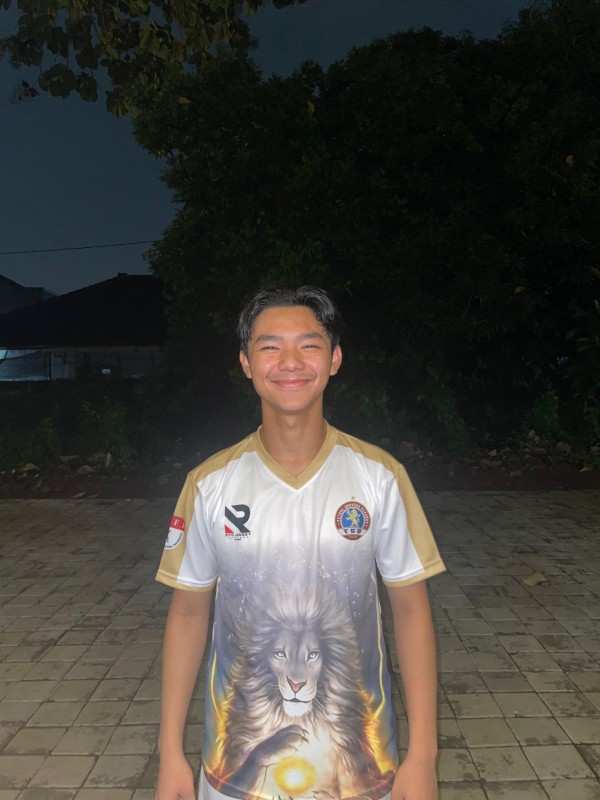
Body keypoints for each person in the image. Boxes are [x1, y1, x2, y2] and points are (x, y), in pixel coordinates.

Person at [155, 285, 445, 800]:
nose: (290, 361)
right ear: (246, 363)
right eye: (270, 346)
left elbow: (410, 610)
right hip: (233, 773)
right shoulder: (209, 484)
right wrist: (170, 754)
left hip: (363, 772)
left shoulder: (380, 477)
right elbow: (188, 615)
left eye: (309, 345)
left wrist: (423, 756)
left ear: (334, 359)